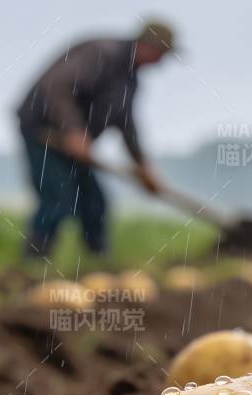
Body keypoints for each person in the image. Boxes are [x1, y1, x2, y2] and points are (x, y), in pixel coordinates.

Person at [16, 20, 175, 258]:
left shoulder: (129, 79)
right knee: (57, 198)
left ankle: (98, 262)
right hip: (45, 135)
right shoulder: (102, 54)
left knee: (95, 204)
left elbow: (126, 123)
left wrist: (143, 166)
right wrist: (73, 129)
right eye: (161, 55)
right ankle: (32, 264)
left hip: (77, 145)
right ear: (148, 46)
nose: (161, 62)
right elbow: (57, 86)